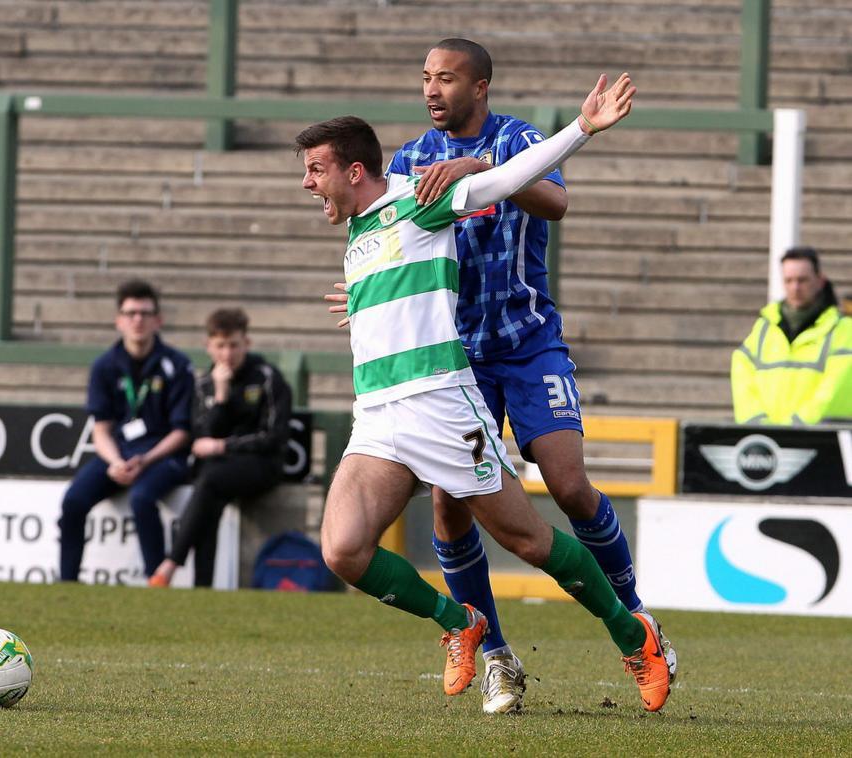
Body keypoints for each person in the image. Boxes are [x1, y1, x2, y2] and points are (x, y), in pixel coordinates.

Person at [297, 73, 672, 713]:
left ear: (354, 170)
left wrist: (581, 128)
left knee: (527, 540)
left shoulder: (419, 198)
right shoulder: (358, 234)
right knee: (342, 550)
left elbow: (504, 183)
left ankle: (630, 632)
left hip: (443, 406)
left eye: (315, 170)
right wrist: (363, 302)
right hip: (377, 417)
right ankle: (460, 623)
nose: (307, 183)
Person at [59, 279, 194, 582]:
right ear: (118, 320)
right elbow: (101, 429)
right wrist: (116, 462)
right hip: (120, 456)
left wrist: (145, 460)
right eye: (130, 313)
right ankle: (65, 581)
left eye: (145, 313)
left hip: (163, 456)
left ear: (158, 320)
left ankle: (155, 581)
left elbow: (182, 432)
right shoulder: (104, 365)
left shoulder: (177, 364)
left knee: (142, 498)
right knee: (73, 501)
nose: (138, 320)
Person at [149, 307, 293, 588]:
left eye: (234, 345)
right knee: (210, 497)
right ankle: (203, 588)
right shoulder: (205, 385)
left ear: (246, 344)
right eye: (220, 346)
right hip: (218, 472)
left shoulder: (266, 377)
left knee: (210, 479)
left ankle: (171, 563)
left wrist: (223, 446)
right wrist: (221, 396)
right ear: (209, 347)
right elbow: (202, 436)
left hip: (262, 465)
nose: (227, 354)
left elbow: (274, 437)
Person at [732, 246, 852, 425]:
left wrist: (797, 426)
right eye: (788, 280)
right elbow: (742, 373)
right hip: (770, 441)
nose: (795, 287)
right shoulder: (764, 328)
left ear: (820, 280)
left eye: (802, 280)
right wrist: (756, 423)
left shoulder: (843, 329)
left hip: (824, 443)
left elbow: (834, 388)